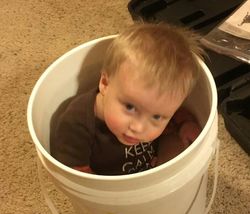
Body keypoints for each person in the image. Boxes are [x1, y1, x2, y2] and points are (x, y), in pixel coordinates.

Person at [50, 22, 203, 175]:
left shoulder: (156, 104)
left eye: (156, 116)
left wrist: (185, 124)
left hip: (151, 169)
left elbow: (174, 113)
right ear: (105, 83)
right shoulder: (77, 122)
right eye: (130, 107)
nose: (139, 128)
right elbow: (76, 173)